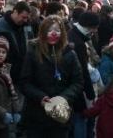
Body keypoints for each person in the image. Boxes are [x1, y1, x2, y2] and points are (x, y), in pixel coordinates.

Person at [19, 15, 84, 138]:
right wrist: (40, 97)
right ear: (43, 32)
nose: (53, 33)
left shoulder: (70, 54)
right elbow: (24, 82)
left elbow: (78, 82)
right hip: (36, 115)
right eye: (49, 30)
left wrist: (64, 97)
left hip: (60, 114)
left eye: (57, 30)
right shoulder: (33, 52)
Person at [67, 10, 98, 138]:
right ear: (88, 26)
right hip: (76, 88)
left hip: (72, 86)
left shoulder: (73, 34)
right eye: (94, 28)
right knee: (81, 117)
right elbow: (82, 71)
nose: (95, 31)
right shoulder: (78, 43)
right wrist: (90, 92)